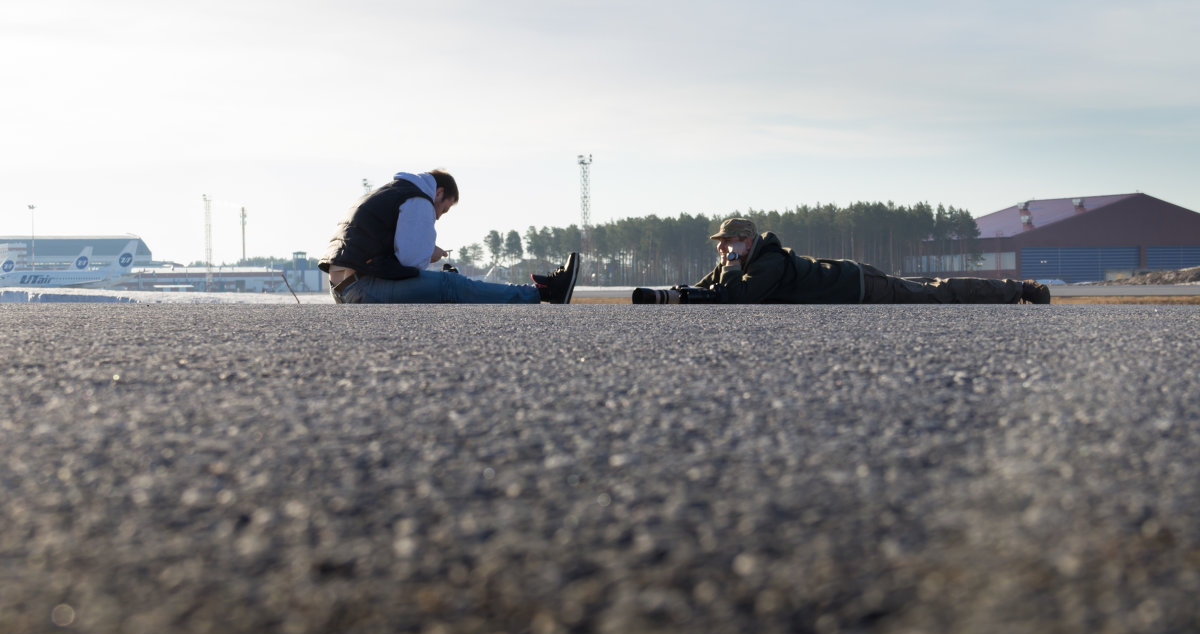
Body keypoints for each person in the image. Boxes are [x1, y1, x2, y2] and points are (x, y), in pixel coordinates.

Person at [319, 169, 579, 304]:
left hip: (344, 287)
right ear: (439, 193)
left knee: (446, 284)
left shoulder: (392, 192)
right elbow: (411, 261)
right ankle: (543, 293)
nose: (439, 216)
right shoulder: (418, 199)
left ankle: (539, 292)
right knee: (451, 286)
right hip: (360, 289)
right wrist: (429, 252)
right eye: (442, 209)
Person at [665, 217, 1050, 304]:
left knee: (938, 293)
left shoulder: (767, 261)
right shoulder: (736, 264)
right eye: (720, 243)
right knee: (929, 290)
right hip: (851, 278)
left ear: (746, 241)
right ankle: (1019, 288)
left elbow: (738, 300)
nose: (722, 248)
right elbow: (704, 291)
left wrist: (729, 269)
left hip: (859, 284)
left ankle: (1023, 288)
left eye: (729, 242)